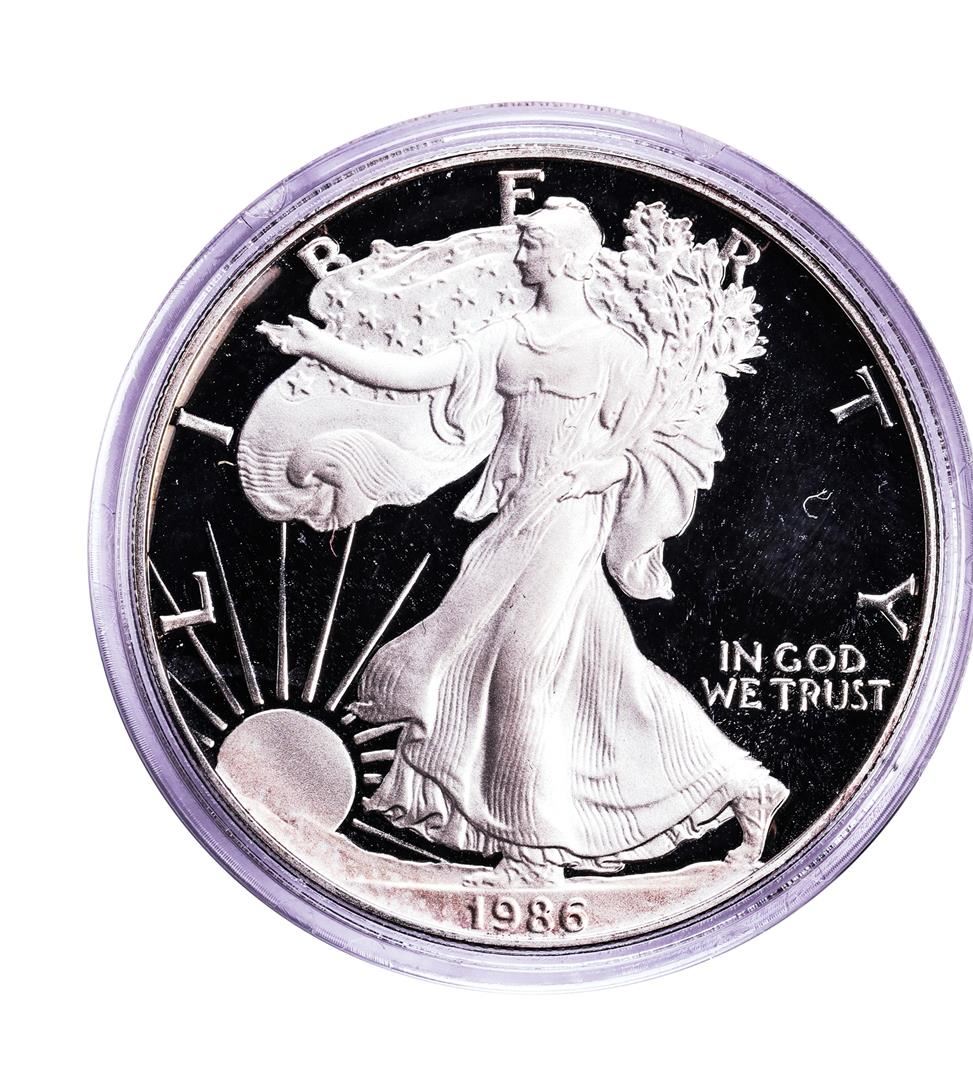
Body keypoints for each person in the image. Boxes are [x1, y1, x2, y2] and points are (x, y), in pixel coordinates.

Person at [258, 198, 787, 886]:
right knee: (605, 674)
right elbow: (420, 373)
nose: (520, 255)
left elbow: (672, 439)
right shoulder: (507, 336)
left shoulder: (614, 351)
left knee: (520, 668)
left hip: (569, 516)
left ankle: (534, 857)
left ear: (567, 258)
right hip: (514, 517)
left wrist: (610, 470)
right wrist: (319, 347)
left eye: (532, 245)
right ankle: (742, 784)